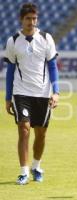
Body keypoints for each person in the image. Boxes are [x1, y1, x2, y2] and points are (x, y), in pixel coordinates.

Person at [4, 3, 59, 185]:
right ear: (21, 19)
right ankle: (24, 171)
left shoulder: (46, 38)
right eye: (28, 18)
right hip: (21, 93)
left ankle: (36, 166)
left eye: (34, 18)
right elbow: (11, 71)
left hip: (43, 93)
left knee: (41, 134)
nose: (32, 22)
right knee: (24, 129)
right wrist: (7, 97)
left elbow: (52, 66)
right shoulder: (13, 41)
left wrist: (56, 92)